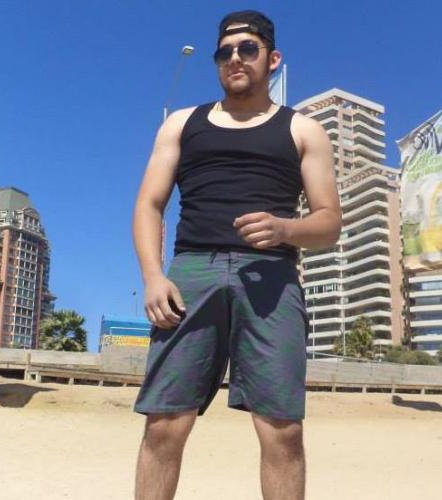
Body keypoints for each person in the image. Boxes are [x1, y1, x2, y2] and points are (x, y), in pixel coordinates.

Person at [132, 10, 341, 500]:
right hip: (191, 272)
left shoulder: (304, 130)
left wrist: (286, 228)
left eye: (248, 48)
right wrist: (153, 276)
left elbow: (329, 221)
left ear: (273, 58)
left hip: (272, 277)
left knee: (283, 431)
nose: (235, 58)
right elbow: (149, 204)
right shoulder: (183, 124)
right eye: (224, 52)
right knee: (163, 425)